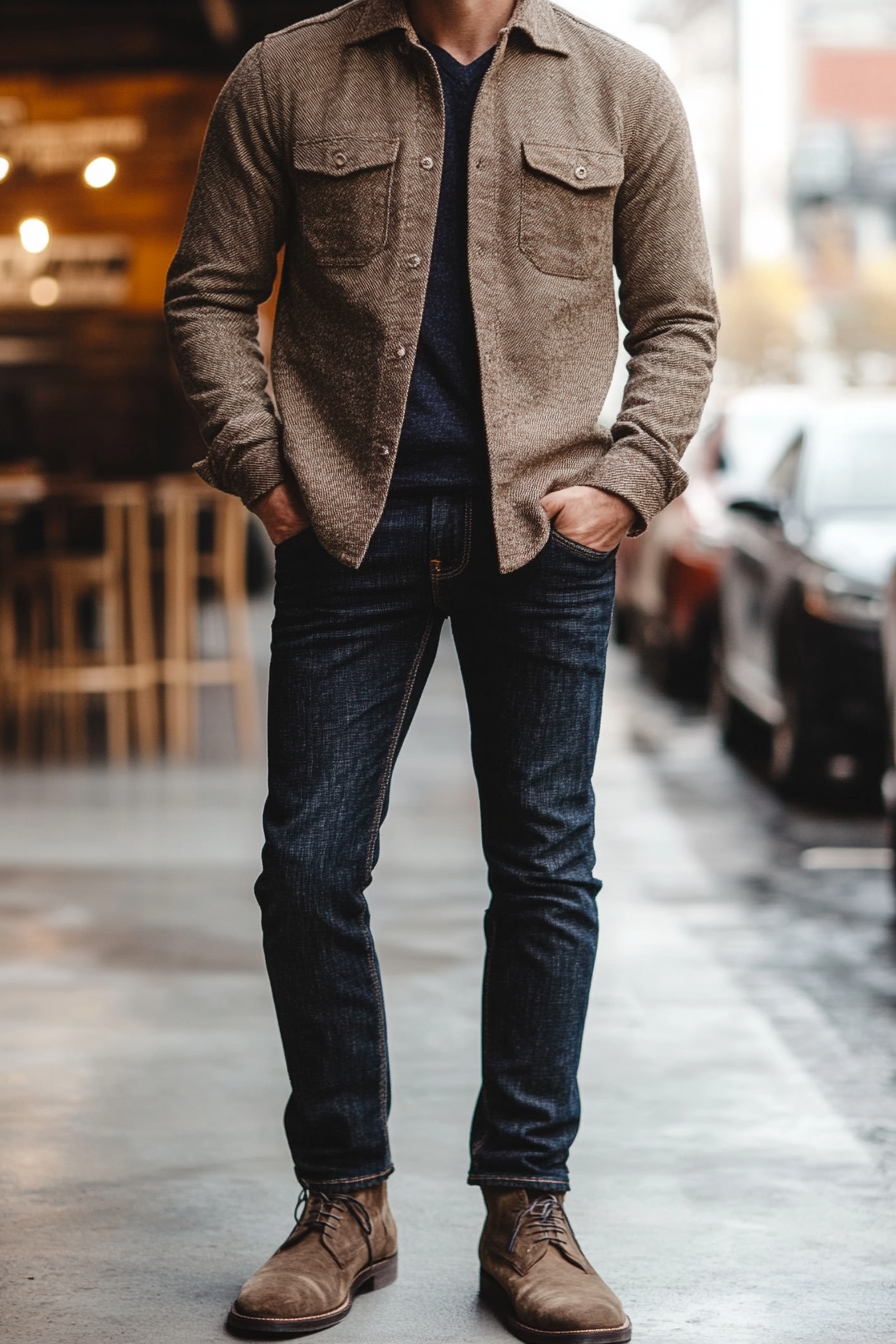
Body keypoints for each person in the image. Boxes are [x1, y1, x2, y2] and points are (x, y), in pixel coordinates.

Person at [165, 0, 717, 1338]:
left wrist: (624, 484)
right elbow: (209, 295)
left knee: (543, 868)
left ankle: (529, 1206)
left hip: (544, 531)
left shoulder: (623, 89)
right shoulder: (287, 77)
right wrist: (268, 477)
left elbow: (680, 318)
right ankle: (342, 1200)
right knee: (306, 862)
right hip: (346, 527)